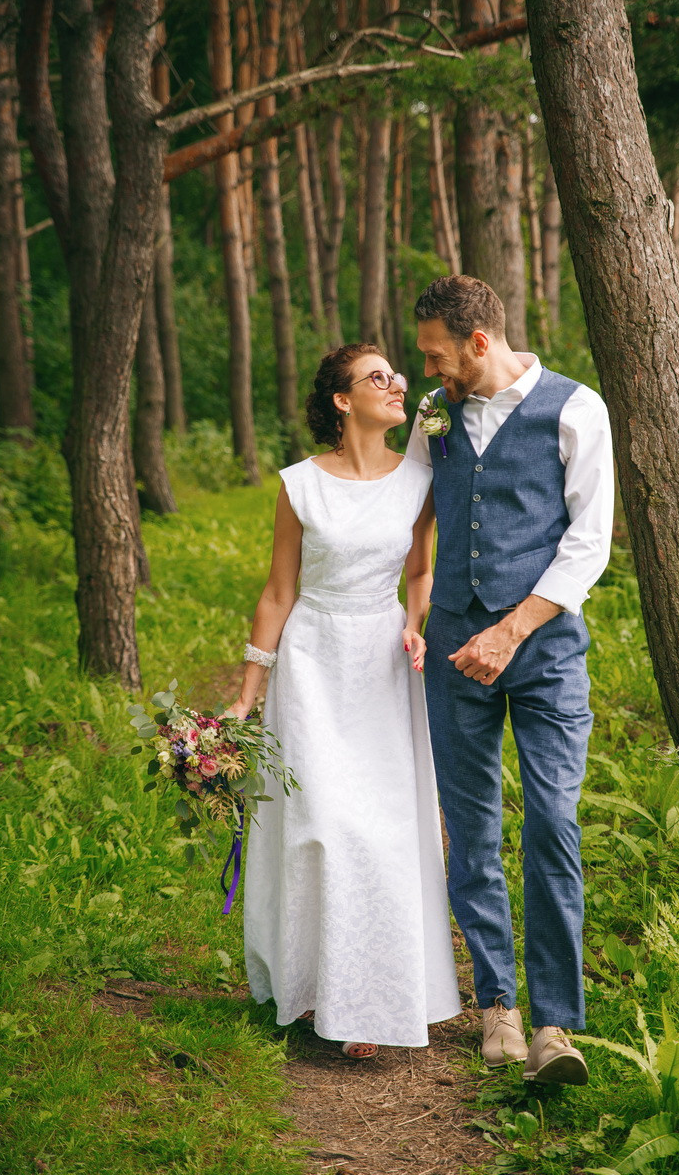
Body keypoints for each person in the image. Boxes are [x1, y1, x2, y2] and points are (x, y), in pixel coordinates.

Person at [405, 275, 614, 1083]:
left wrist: (513, 630)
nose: (430, 368)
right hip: (455, 648)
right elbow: (407, 515)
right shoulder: (434, 413)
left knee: (552, 825)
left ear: (478, 343)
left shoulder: (574, 408)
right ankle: (496, 1003)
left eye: (435, 353)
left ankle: (555, 1026)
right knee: (473, 828)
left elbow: (588, 542)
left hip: (545, 653)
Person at [227, 342, 462, 1060]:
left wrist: (416, 625)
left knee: (382, 831)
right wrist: (245, 697)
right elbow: (278, 592)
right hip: (311, 662)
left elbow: (418, 572)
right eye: (377, 378)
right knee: (319, 824)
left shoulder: (418, 479)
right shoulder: (299, 484)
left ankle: (371, 1001)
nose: (396, 386)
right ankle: (310, 985)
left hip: (384, 664)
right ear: (341, 400)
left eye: (395, 375)